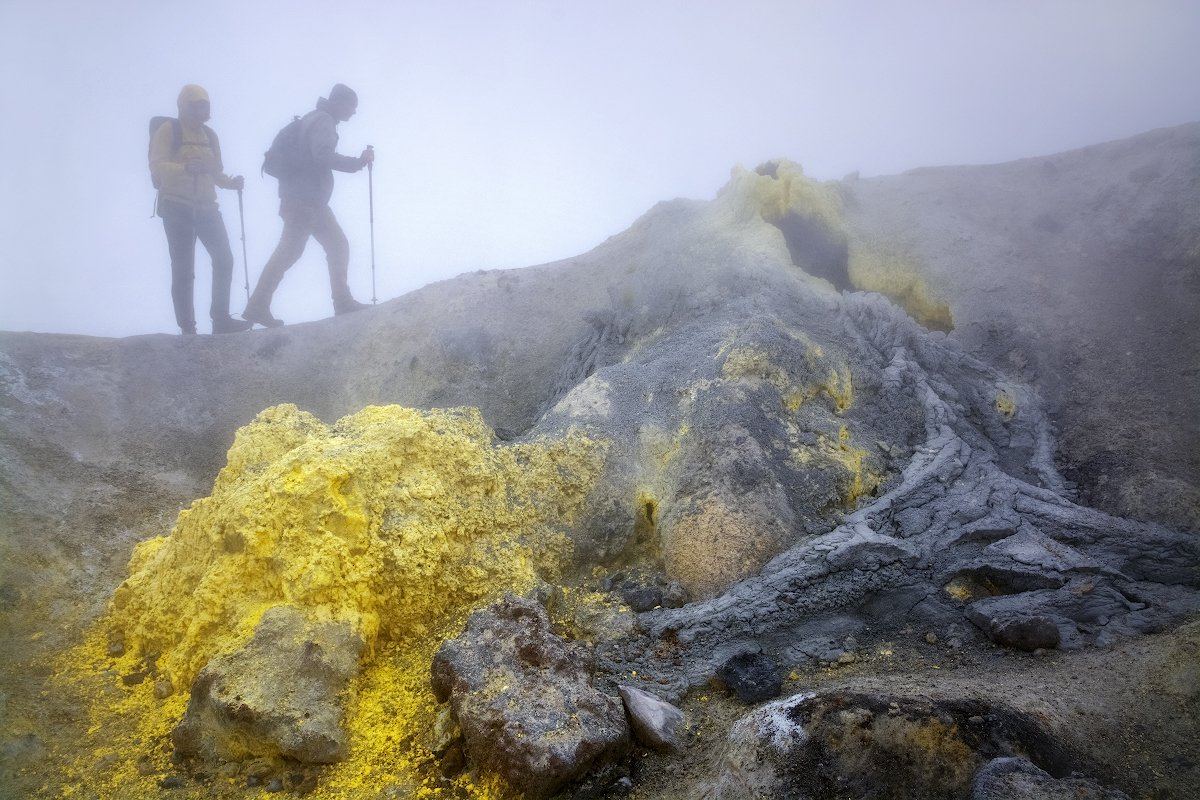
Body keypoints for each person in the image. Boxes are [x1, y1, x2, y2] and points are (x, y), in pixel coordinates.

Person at [243, 84, 375, 327]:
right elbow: (322, 155)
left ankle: (259, 306)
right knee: (297, 250)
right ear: (339, 103)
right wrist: (357, 162)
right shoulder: (324, 120)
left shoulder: (314, 118)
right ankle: (258, 307)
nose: (353, 112)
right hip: (305, 200)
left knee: (326, 246)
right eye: (351, 106)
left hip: (304, 198)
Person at [150, 85, 252, 335]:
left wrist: (231, 183)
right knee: (184, 268)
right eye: (199, 105)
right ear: (186, 105)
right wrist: (184, 168)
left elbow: (215, 173)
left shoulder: (210, 135)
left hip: (207, 207)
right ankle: (188, 327)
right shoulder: (169, 130)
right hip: (176, 205)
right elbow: (156, 165)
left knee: (224, 259)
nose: (204, 110)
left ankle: (220, 320)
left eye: (206, 105)